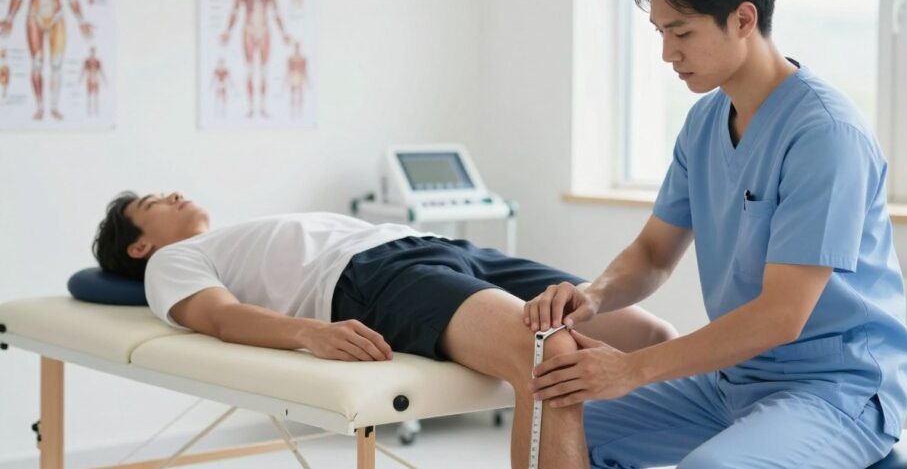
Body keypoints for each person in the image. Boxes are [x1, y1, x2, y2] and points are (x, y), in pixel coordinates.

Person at [525, 0, 907, 468]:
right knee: (553, 422)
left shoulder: (825, 133)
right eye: (660, 32)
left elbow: (781, 316)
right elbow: (654, 254)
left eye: (681, 33)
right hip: (733, 381)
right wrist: (593, 296)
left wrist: (632, 368)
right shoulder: (705, 122)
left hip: (834, 390)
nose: (667, 53)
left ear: (743, 18)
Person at [92, 191, 676, 469]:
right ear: (140, 244)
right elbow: (218, 317)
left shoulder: (232, 235)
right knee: (547, 356)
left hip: (442, 248)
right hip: (372, 276)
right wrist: (308, 333)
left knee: (651, 336)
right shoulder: (171, 263)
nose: (171, 194)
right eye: (151, 202)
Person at [0, 0, 93, 121]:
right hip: (35, 16)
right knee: (37, 63)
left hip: (57, 16)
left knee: (57, 65)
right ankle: (40, 106)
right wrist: (9, 18)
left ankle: (54, 106)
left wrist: (81, 20)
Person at [220, 0, 290, 118]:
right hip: (248, 28)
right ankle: (251, 107)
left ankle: (263, 106)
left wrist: (283, 33)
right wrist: (228, 31)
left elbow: (275, 10)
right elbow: (235, 8)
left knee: (265, 70)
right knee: (250, 70)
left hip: (264, 28)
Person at [79, 46, 106, 116]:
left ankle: (96, 110)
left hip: (96, 79)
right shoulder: (87, 61)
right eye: (91, 51)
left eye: (93, 51)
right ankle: (89, 111)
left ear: (95, 52)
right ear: (90, 52)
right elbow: (83, 70)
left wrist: (104, 80)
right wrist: (80, 79)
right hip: (89, 78)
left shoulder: (98, 61)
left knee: (96, 95)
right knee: (89, 95)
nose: (92, 53)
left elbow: (101, 71)